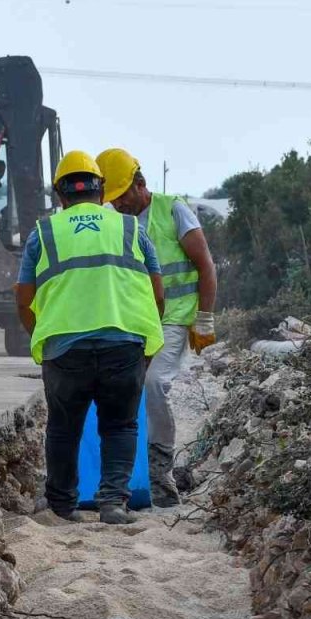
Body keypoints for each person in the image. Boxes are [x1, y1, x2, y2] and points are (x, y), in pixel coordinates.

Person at [15, 150, 165, 525]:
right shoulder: (133, 230)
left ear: (60, 196)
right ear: (101, 192)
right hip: (124, 345)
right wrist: (143, 345)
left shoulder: (43, 233)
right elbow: (157, 294)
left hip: (65, 350)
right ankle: (113, 503)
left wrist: (43, 338)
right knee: (120, 425)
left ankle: (62, 506)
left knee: (64, 429)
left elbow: (23, 297)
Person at [97, 148, 218, 508]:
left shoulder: (173, 210)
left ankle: (160, 472)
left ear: (140, 184)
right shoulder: (116, 222)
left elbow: (206, 265)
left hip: (174, 318)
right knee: (126, 389)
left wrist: (205, 317)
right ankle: (128, 471)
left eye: (121, 196)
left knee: (153, 384)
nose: (117, 205)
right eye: (111, 199)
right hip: (136, 322)